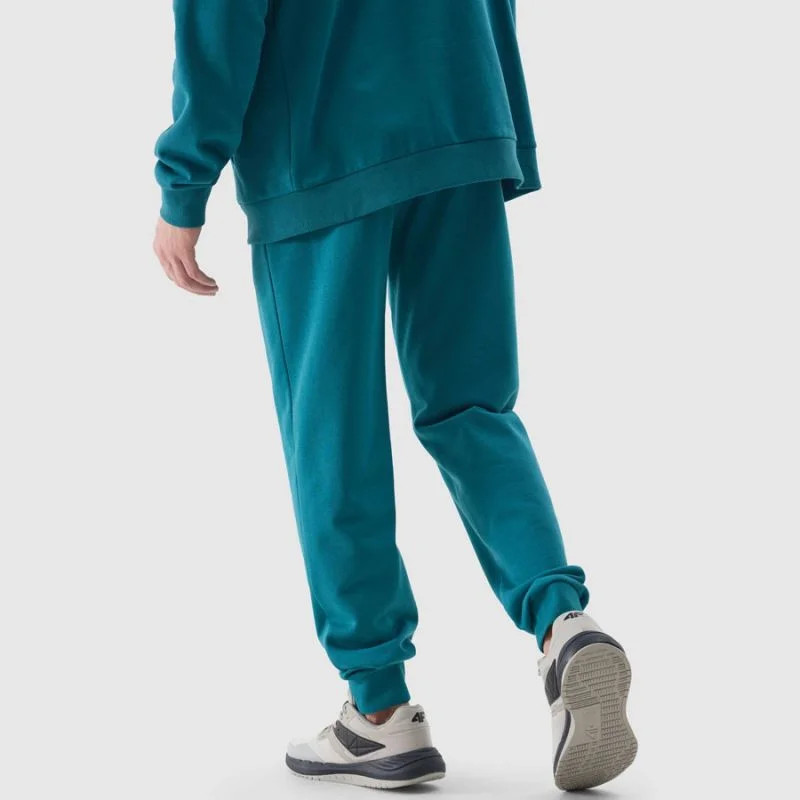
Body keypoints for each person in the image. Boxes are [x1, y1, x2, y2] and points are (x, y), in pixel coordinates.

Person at [153, 1, 637, 791]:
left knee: (332, 430)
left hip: (320, 148)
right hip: (461, 118)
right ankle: (562, 621)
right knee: (472, 408)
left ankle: (379, 712)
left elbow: (222, 18)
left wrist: (184, 182)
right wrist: (504, 131)